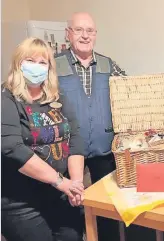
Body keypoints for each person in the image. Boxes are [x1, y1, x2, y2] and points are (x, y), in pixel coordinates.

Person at [1, 37, 85, 241]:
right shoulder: (6, 98)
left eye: (42, 63)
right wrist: (61, 182)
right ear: (18, 64)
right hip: (21, 204)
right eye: (30, 61)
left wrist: (75, 184)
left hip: (61, 196)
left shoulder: (58, 97)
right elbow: (12, 148)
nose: (36, 67)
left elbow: (75, 138)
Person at [55, 12, 126, 241]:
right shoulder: (53, 65)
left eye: (90, 31)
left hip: (103, 149)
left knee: (106, 207)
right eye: (79, 30)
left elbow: (131, 93)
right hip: (66, 151)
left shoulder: (108, 64)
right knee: (68, 206)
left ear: (95, 35)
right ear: (68, 34)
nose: (84, 36)